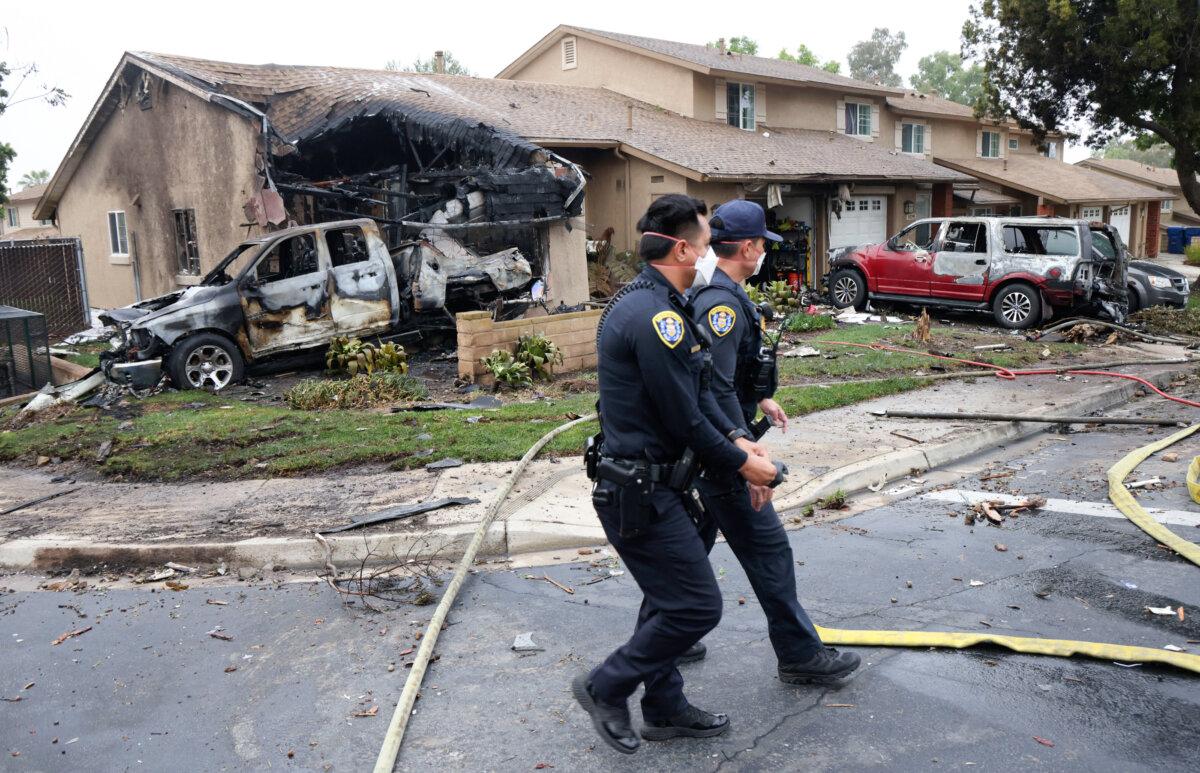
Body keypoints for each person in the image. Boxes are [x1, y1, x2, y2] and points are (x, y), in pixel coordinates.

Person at [574, 194, 779, 755]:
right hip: (637, 489)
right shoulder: (653, 316)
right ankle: (605, 685)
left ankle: (663, 706)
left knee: (669, 600)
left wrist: (739, 440)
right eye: (709, 245)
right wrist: (745, 464)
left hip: (661, 484)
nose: (712, 256)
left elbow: (704, 392)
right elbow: (684, 418)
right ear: (684, 248)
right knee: (694, 606)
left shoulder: (668, 303)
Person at [688, 199, 861, 685]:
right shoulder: (721, 304)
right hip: (724, 451)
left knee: (691, 548)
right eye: (763, 243)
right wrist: (744, 448)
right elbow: (712, 386)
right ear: (746, 247)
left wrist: (760, 400)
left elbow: (726, 376)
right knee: (769, 553)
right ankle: (800, 654)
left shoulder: (724, 295)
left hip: (716, 442)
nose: (765, 250)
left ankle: (667, 635)